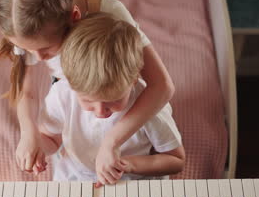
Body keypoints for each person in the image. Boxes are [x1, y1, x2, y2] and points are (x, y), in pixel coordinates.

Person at [0, 0, 175, 185]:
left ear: (75, 18)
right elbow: (27, 93)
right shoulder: (62, 92)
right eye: (27, 50)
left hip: (110, 82)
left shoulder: (112, 15)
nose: (39, 58)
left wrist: (111, 141)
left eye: (47, 49)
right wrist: (29, 132)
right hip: (75, 86)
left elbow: (162, 86)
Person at [35, 13, 185, 182]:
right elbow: (50, 138)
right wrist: (37, 146)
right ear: (69, 82)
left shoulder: (149, 107)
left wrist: (126, 164)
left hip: (131, 181)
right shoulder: (62, 95)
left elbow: (176, 160)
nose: (100, 111)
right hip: (75, 176)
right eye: (88, 100)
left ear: (134, 79)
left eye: (114, 100)